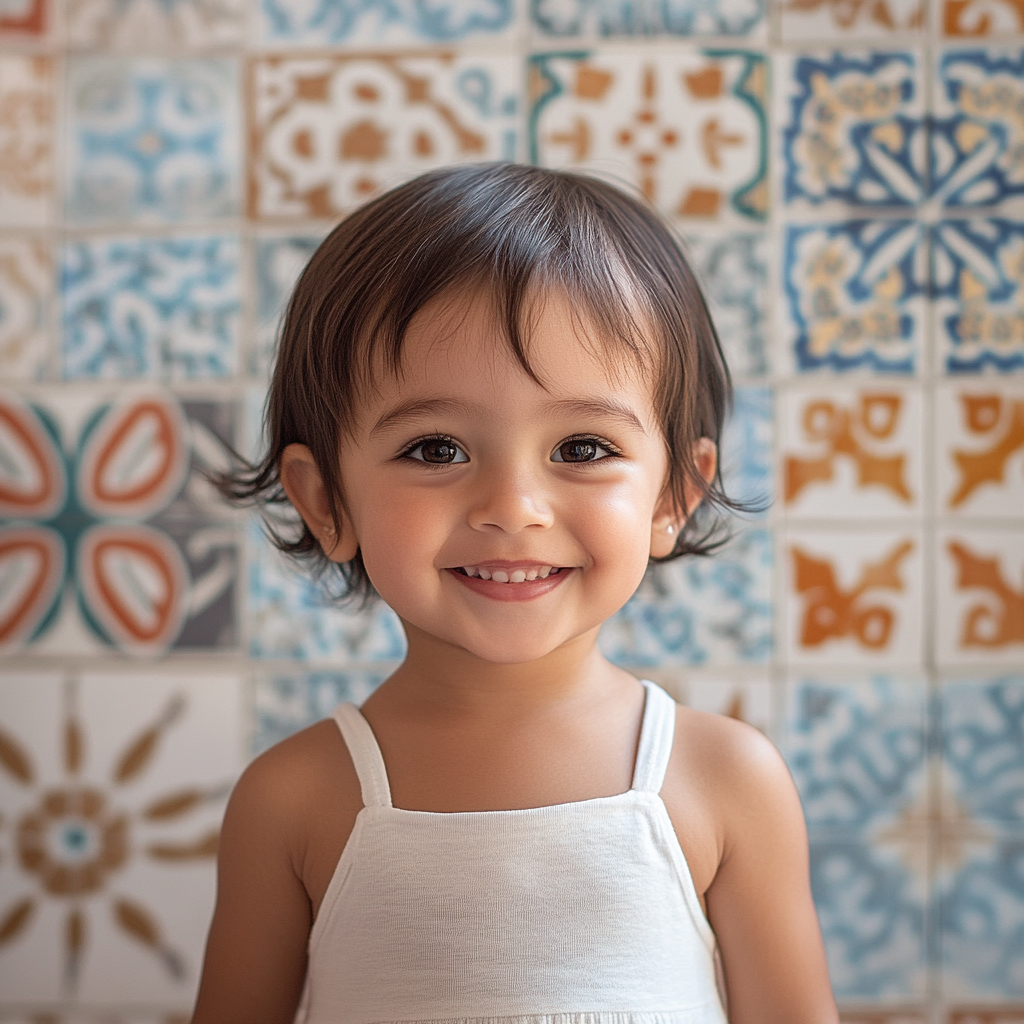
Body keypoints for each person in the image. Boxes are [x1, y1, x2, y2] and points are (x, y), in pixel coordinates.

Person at [192, 163, 838, 1024]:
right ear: (325, 502)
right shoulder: (294, 801)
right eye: (435, 450)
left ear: (673, 496)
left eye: (580, 448)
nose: (512, 510)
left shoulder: (725, 781)